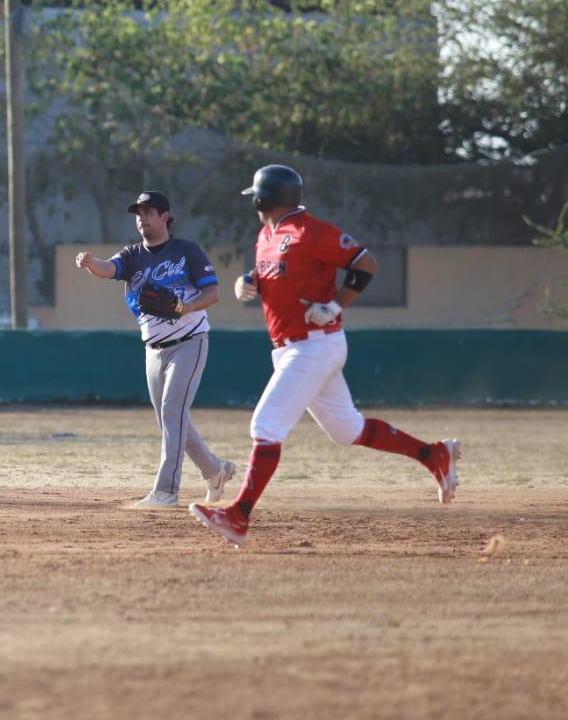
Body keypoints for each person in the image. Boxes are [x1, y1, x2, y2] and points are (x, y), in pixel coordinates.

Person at [190, 165, 461, 547]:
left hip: (314, 344)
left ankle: (238, 516)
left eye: (255, 195)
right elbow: (273, 271)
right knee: (347, 430)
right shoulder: (266, 234)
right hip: (291, 348)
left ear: (263, 197)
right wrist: (247, 281)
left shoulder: (309, 230)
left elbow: (365, 264)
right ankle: (432, 454)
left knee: (265, 426)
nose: (252, 201)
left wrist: (335, 304)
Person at [75, 191, 238, 509]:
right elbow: (111, 268)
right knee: (171, 419)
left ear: (165, 216)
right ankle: (215, 471)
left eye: (148, 212)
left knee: (172, 413)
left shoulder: (187, 251)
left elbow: (213, 293)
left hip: (189, 341)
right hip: (153, 348)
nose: (142, 218)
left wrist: (185, 307)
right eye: (138, 213)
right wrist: (92, 264)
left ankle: (166, 492)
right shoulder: (134, 254)